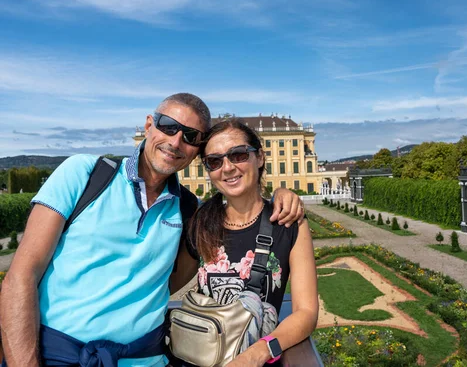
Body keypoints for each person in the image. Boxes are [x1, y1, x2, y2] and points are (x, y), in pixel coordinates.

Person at [0, 93, 304, 367]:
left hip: (146, 358)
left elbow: (169, 283)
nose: (175, 141)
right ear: (149, 125)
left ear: (196, 150)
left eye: (189, 136)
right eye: (168, 126)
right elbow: (20, 276)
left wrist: (282, 194)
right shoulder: (84, 174)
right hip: (59, 355)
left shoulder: (188, 209)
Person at [180, 119, 318, 366]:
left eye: (239, 155)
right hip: (199, 356)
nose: (228, 168)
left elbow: (306, 313)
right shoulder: (200, 222)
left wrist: (256, 355)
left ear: (260, 158)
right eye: (214, 161)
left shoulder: (288, 223)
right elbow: (164, 284)